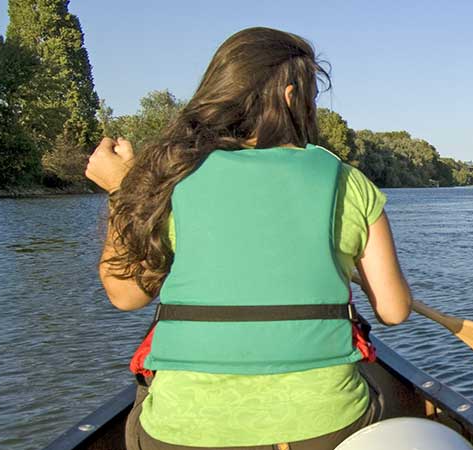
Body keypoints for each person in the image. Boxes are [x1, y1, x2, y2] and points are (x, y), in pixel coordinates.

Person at [84, 27, 414, 449]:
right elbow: (394, 310)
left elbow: (126, 296)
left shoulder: (166, 176)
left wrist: (123, 192)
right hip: (324, 426)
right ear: (292, 96)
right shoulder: (348, 183)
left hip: (183, 431)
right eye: (312, 96)